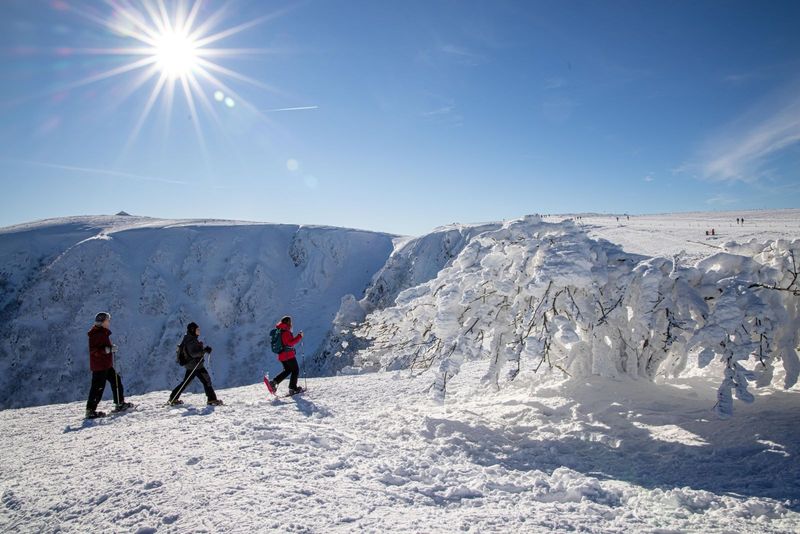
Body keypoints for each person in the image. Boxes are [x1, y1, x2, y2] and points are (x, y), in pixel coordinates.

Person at [86, 312, 133, 419]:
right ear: (103, 322)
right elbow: (94, 350)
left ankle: (119, 403)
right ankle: (90, 410)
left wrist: (110, 348)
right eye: (108, 320)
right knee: (98, 387)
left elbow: (101, 347)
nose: (109, 322)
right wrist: (108, 350)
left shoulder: (101, 332)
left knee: (116, 380)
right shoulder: (96, 334)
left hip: (105, 365)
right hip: (100, 366)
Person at [168, 322, 223, 406]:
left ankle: (173, 397)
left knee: (186, 382)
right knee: (206, 380)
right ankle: (212, 400)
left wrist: (203, 350)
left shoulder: (190, 338)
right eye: (197, 329)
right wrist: (204, 350)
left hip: (192, 365)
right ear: (192, 330)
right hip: (196, 366)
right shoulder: (191, 340)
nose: (199, 331)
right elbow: (193, 353)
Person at [267, 316, 304, 395]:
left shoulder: (280, 330)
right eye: (290, 322)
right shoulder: (285, 331)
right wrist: (299, 336)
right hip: (288, 355)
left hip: (282, 356)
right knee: (295, 370)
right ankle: (293, 388)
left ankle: (274, 382)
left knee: (288, 370)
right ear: (287, 322)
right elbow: (290, 343)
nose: (291, 323)